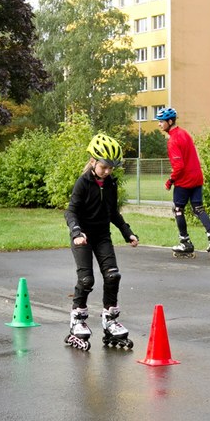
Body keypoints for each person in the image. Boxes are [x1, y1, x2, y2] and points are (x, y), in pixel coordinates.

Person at [64, 134, 139, 350]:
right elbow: (71, 211)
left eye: (111, 168)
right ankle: (77, 320)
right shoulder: (83, 183)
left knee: (113, 275)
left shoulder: (111, 184)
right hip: (83, 237)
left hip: (102, 236)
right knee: (87, 280)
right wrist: (77, 232)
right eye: (104, 167)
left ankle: (110, 320)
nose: (107, 172)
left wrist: (127, 232)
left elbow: (112, 212)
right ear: (93, 161)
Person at [155, 107, 210, 257]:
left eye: (161, 122)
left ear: (170, 121)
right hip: (197, 177)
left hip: (184, 180)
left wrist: (170, 181)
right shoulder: (184, 133)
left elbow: (179, 166)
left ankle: (185, 242)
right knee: (198, 208)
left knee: (178, 209)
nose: (159, 125)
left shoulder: (173, 140)